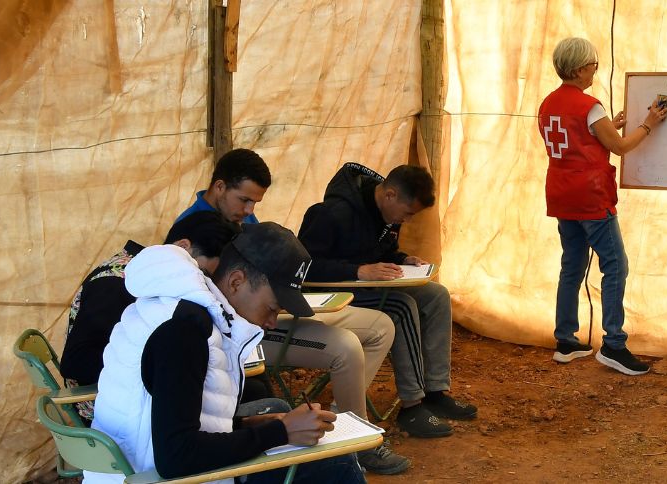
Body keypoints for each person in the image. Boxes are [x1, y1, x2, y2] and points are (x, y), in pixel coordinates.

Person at [176, 148, 409, 474]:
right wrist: (277, 430)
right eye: (244, 200)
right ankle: (353, 439)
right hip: (249, 322)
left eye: (255, 203)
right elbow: (177, 452)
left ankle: (348, 419)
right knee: (345, 347)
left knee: (380, 325)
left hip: (274, 306)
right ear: (219, 187)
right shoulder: (194, 238)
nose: (249, 210)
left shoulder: (239, 220)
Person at [85, 222, 364, 484]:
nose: (271, 323)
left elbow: (167, 416)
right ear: (236, 282)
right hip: (151, 476)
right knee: (337, 464)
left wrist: (247, 424)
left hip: (133, 465)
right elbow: (176, 458)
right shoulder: (185, 332)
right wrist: (280, 432)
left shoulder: (178, 306)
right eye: (272, 307)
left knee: (275, 409)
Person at [298, 162, 477, 439]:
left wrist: (402, 259)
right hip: (334, 294)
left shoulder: (385, 214)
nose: (406, 220)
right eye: (407, 214)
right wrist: (356, 271)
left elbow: (382, 250)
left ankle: (435, 391)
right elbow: (305, 268)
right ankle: (412, 404)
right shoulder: (331, 213)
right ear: (390, 194)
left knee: (436, 295)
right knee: (401, 306)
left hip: (367, 286)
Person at [537, 37, 667, 375]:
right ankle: (614, 343)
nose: (596, 68)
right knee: (615, 265)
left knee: (572, 265)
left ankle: (565, 340)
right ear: (581, 69)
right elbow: (621, 147)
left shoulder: (548, 103)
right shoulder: (590, 106)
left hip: (562, 194)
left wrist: (611, 126)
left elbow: (580, 136)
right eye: (593, 64)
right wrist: (648, 124)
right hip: (591, 196)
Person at [59, 211, 241, 421]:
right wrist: (159, 366)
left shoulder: (145, 275)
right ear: (183, 247)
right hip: (106, 411)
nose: (205, 284)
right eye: (205, 274)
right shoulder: (117, 284)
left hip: (128, 399)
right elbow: (75, 362)